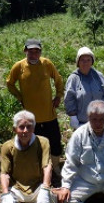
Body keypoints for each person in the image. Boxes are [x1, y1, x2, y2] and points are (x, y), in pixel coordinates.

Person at [6, 38, 65, 176]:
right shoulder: (19, 66)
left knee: (55, 141)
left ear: (40, 52)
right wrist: (20, 97)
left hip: (49, 114)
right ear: (25, 51)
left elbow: (58, 79)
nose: (33, 54)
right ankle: (40, 169)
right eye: (30, 51)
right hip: (31, 117)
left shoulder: (46, 64)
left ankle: (55, 167)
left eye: (36, 51)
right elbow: (9, 83)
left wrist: (58, 96)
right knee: (35, 144)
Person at [64, 47, 104, 129]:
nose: (85, 63)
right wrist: (73, 116)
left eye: (88, 60)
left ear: (92, 62)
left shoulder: (98, 76)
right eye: (82, 60)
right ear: (78, 62)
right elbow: (69, 98)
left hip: (99, 121)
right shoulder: (73, 78)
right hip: (81, 123)